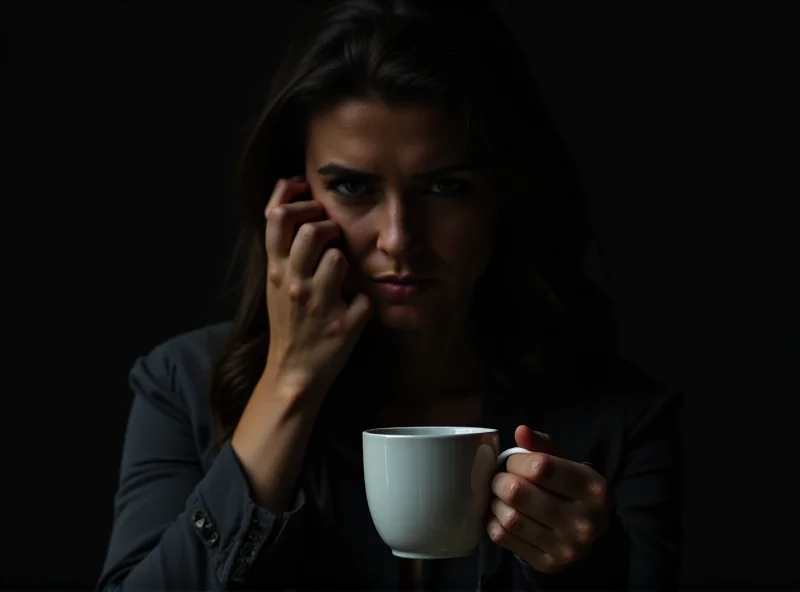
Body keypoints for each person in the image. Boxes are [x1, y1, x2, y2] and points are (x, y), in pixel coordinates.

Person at [97, 0, 684, 590]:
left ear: (502, 192)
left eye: (444, 187)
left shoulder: (619, 420)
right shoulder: (181, 386)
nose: (400, 238)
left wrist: (584, 567)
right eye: (352, 187)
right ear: (292, 199)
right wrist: (290, 380)